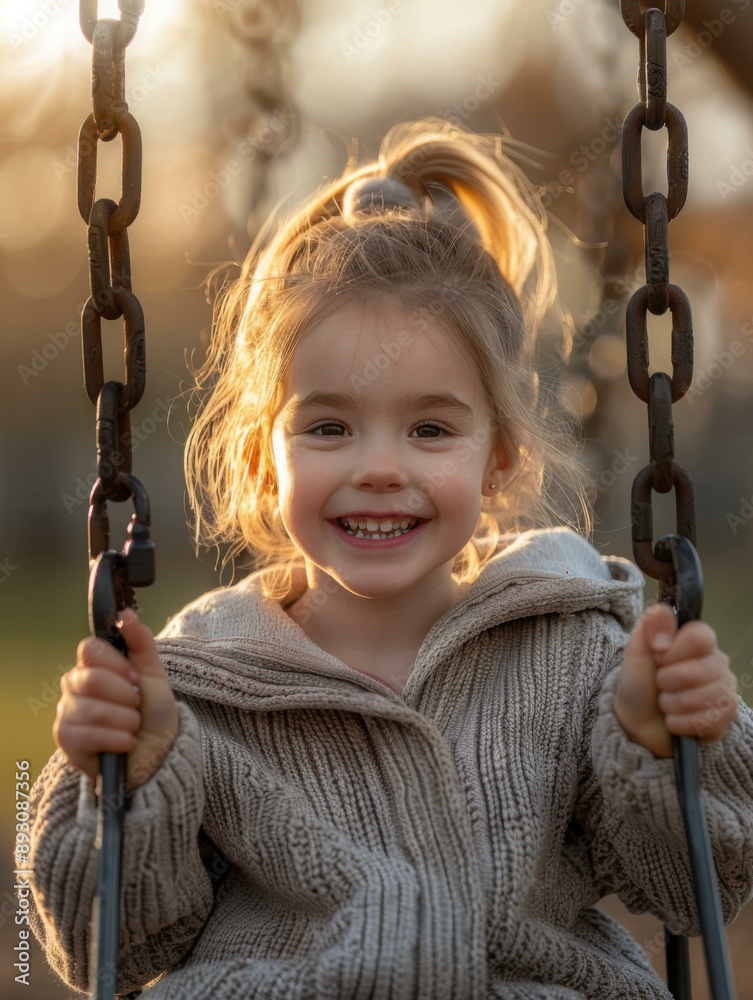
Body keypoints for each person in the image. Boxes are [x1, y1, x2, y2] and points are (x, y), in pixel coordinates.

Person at [28, 118, 753, 1000]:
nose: (379, 467)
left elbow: (695, 890)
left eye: (429, 429)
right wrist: (129, 782)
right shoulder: (195, 688)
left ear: (498, 458)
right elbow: (107, 945)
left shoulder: (576, 652)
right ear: (263, 458)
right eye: (328, 427)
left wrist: (663, 740)